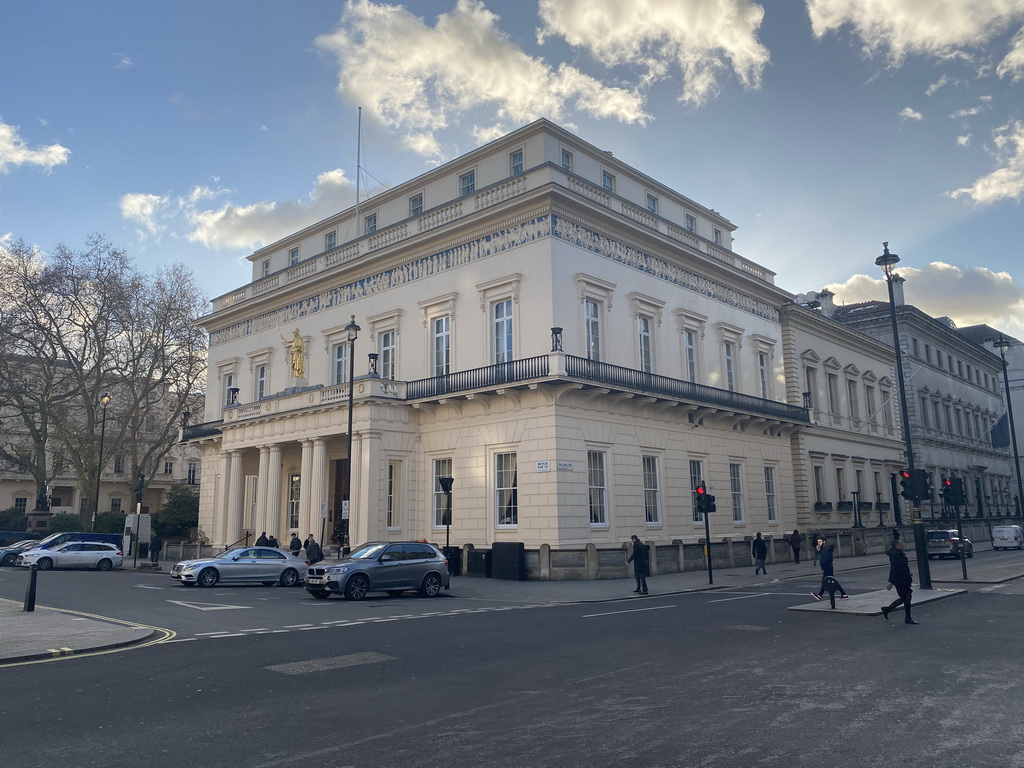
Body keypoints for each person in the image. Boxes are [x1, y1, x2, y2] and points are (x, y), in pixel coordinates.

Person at [881, 540, 918, 624]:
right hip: (900, 580)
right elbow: (894, 569)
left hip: (904, 578)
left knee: (905, 598)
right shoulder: (896, 555)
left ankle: (887, 609)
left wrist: (908, 573)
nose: (902, 545)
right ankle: (907, 618)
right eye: (900, 544)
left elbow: (902, 567)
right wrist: (891, 581)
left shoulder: (899, 553)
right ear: (895, 545)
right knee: (907, 597)